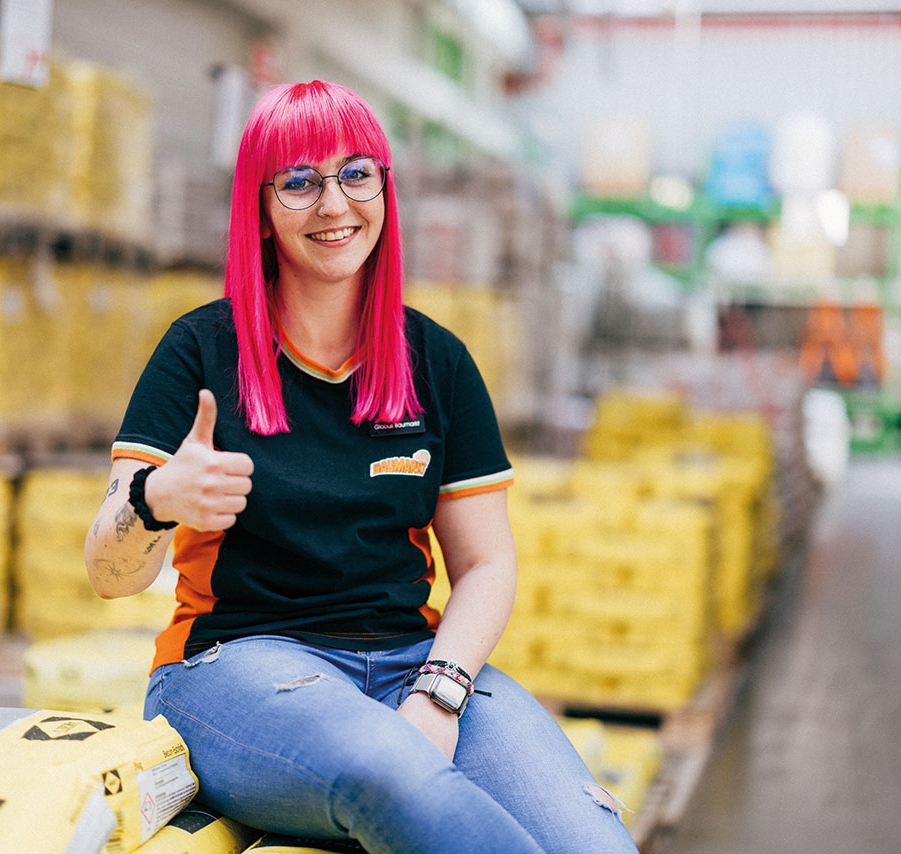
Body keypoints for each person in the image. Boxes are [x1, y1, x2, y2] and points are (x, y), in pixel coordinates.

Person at [84, 80, 639, 854]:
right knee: (393, 775)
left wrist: (441, 694)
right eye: (300, 181)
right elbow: (108, 573)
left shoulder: (436, 362)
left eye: (356, 174)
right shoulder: (201, 351)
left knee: (590, 839)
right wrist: (156, 497)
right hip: (237, 665)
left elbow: (485, 563)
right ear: (260, 208)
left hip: (416, 658)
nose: (335, 205)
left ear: (384, 188)